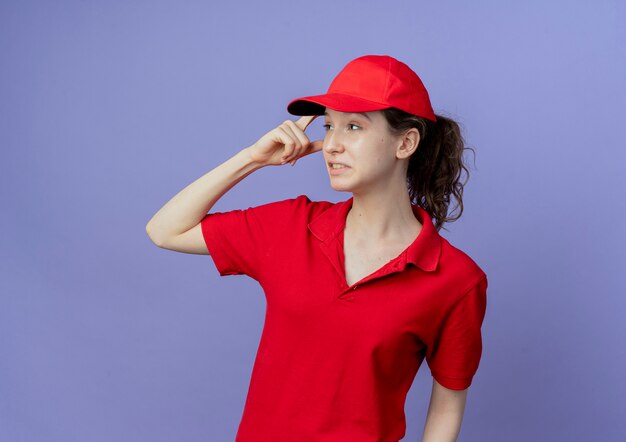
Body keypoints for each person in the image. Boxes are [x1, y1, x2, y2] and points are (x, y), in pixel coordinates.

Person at [146, 54, 488, 442]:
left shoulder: (456, 280)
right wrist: (252, 160)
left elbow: (447, 407)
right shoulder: (291, 227)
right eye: (329, 126)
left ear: (406, 142)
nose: (331, 145)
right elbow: (165, 230)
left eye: (353, 126)